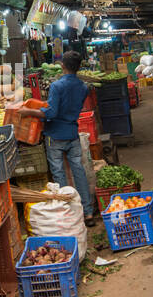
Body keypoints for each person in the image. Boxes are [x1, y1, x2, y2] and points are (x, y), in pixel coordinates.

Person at [19, 49, 97, 225]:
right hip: (72, 134)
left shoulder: (57, 86)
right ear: (78, 67)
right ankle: (88, 211)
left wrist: (28, 111)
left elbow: (51, 113)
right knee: (79, 172)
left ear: (62, 66)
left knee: (59, 175)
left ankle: (69, 213)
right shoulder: (83, 87)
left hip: (55, 136)